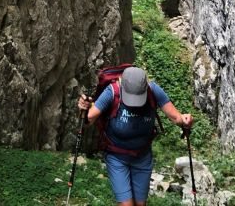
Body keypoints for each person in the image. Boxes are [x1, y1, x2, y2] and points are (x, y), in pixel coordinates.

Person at [78, 66, 194, 206]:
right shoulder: (112, 92)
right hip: (117, 158)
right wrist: (83, 110)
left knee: (140, 204)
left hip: (142, 157)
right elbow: (88, 120)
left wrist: (185, 120)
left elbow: (176, 117)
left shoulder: (153, 91)